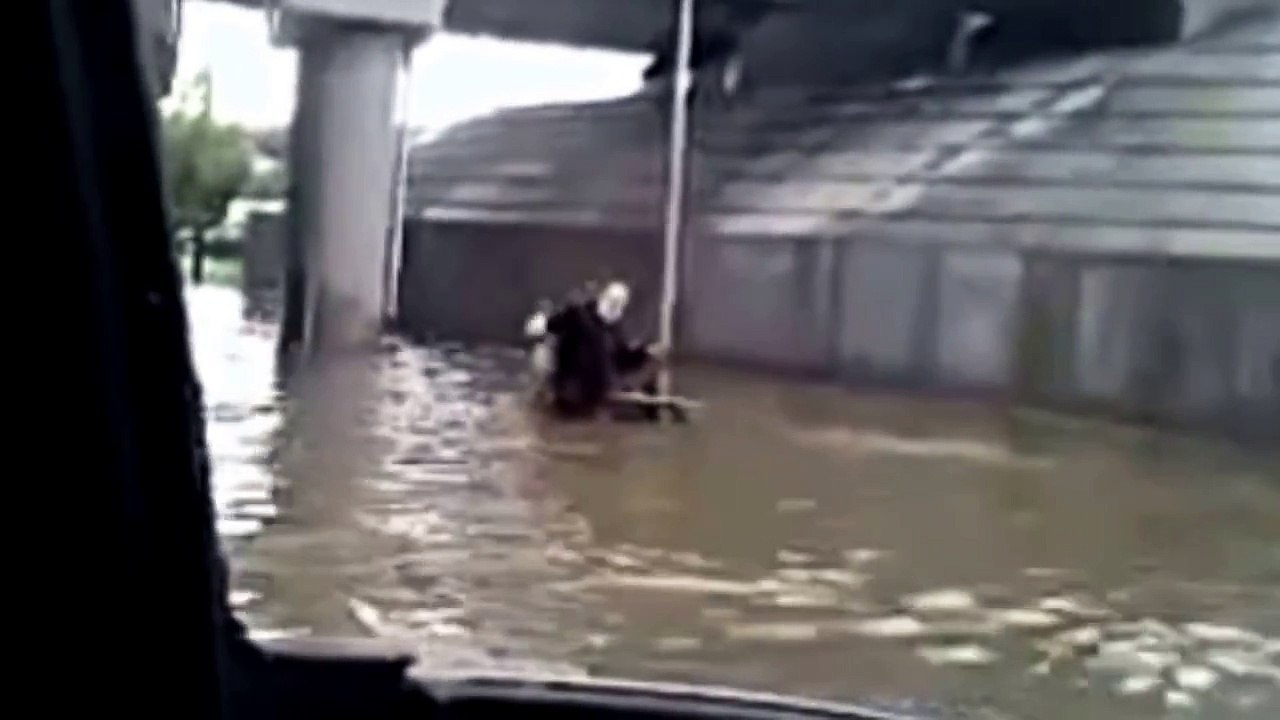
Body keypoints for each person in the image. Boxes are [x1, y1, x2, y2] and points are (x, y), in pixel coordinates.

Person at [529, 281, 665, 420]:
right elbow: (550, 326)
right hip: (572, 388)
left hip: (595, 391)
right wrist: (542, 324)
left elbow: (621, 357)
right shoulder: (577, 314)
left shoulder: (612, 327)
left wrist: (644, 352)